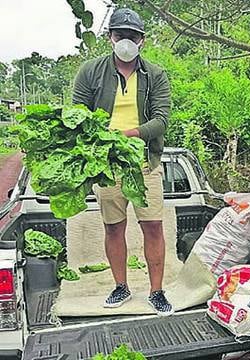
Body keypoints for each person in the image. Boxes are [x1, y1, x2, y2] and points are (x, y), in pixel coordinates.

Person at [72, 8, 173, 315]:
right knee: (114, 227)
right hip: (107, 162)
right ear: (110, 37)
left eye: (132, 36)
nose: (126, 41)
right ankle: (121, 287)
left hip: (144, 161)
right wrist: (106, 140)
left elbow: (161, 120)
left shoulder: (155, 74)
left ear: (142, 40)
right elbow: (78, 116)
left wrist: (131, 134)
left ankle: (156, 291)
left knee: (153, 226)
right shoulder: (90, 71)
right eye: (120, 35)